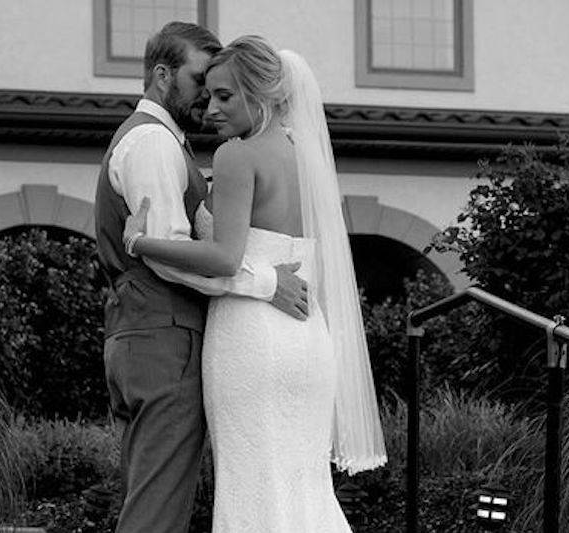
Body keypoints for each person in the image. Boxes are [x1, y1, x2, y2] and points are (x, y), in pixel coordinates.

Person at [123, 36, 387, 532]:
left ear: (261, 97)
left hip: (251, 341)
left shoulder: (236, 156)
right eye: (211, 94)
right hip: (308, 340)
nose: (211, 109)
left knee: (252, 485)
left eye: (226, 97)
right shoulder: (305, 158)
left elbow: (224, 258)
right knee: (303, 487)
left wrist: (141, 242)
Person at [93, 23, 310, 533]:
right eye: (198, 81)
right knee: (157, 513)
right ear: (163, 75)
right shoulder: (152, 142)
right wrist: (265, 283)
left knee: (149, 501)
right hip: (164, 338)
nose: (206, 99)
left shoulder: (161, 140)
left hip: (142, 334)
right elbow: (169, 257)